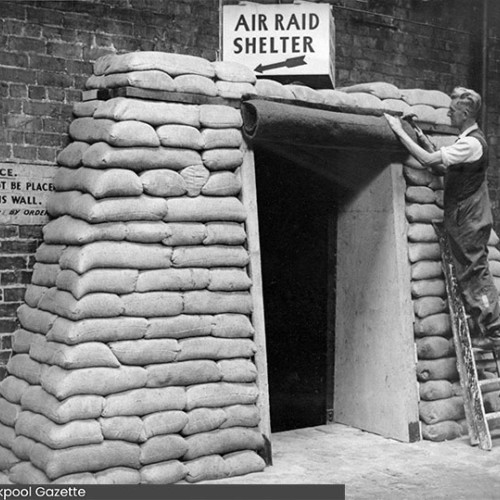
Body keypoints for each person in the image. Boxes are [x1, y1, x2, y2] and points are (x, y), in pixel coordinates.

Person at [384, 87, 500, 349]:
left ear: (466, 112)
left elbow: (427, 161)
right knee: (471, 272)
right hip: (468, 216)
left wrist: (399, 131)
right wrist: (422, 136)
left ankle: (494, 333)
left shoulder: (471, 144)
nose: (448, 112)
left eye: (453, 109)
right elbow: (440, 164)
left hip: (469, 218)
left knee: (475, 273)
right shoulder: (467, 141)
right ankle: (486, 327)